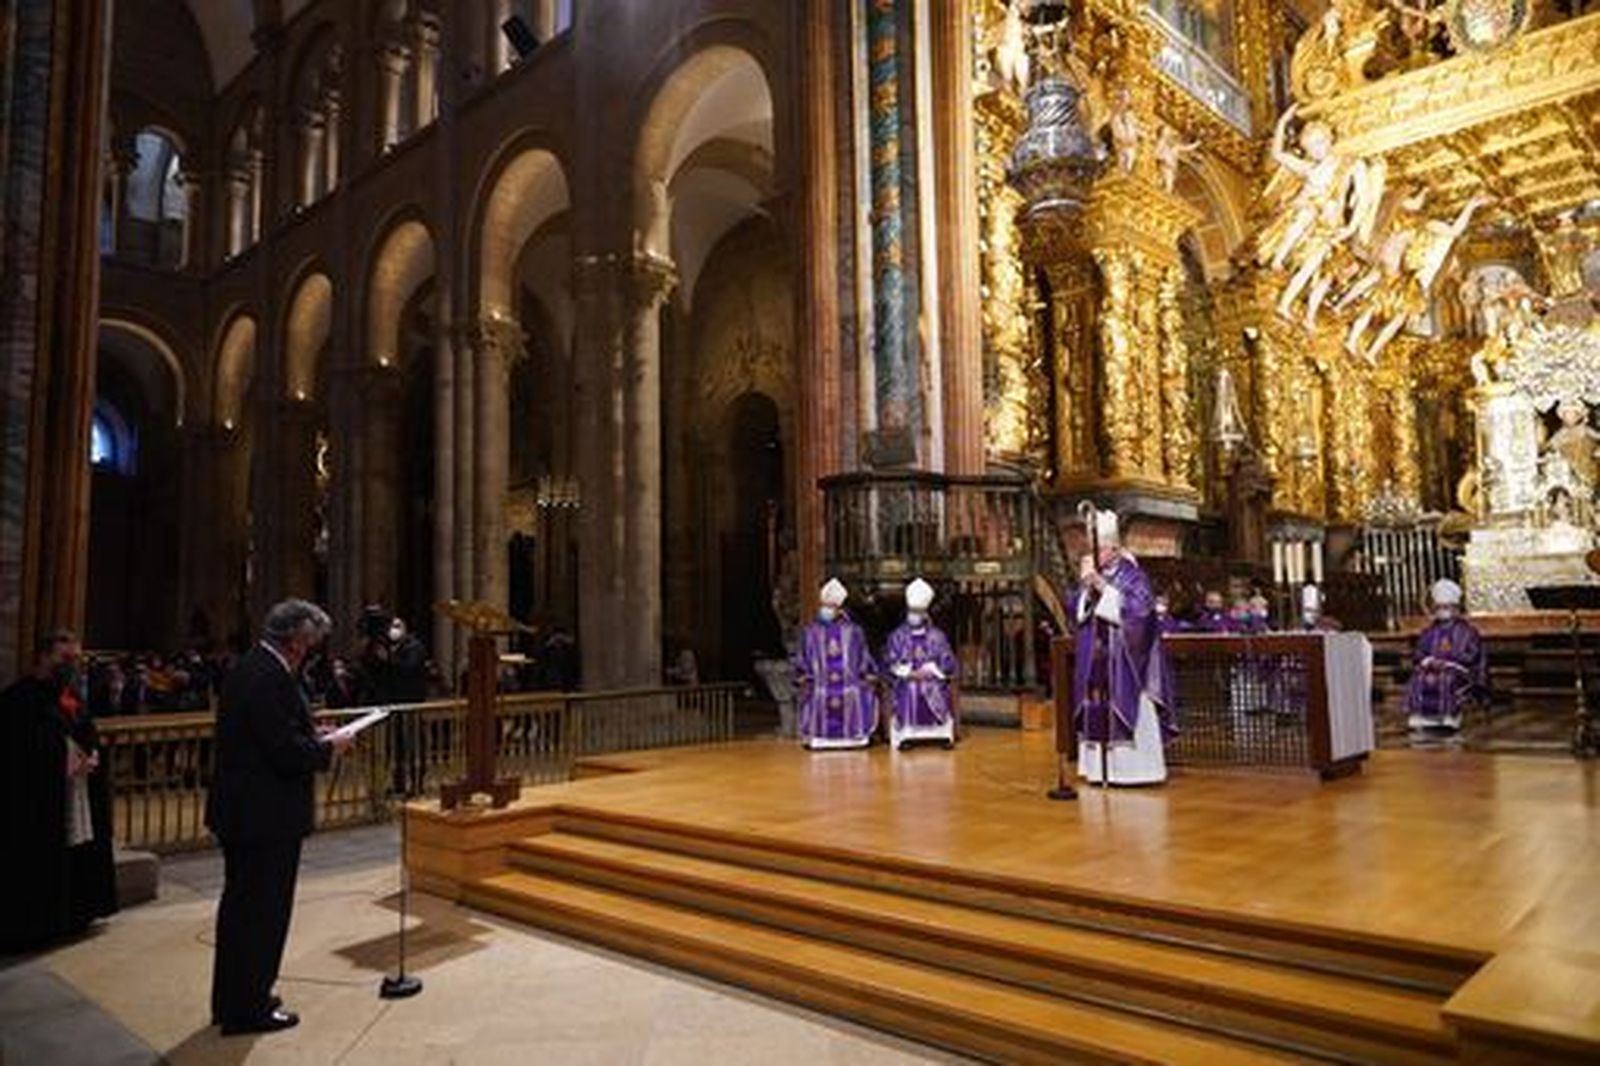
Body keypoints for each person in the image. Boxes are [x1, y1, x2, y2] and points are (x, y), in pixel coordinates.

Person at [207, 599, 353, 1035]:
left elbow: (273, 735)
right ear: (295, 641)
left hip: (249, 812)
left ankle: (235, 999)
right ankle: (247, 1009)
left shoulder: (253, 667)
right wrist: (329, 747)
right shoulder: (268, 677)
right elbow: (283, 752)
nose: (310, 653)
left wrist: (313, 734)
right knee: (260, 915)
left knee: (242, 911)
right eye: (310, 645)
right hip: (262, 816)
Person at [0, 630, 117, 953]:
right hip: (38, 799)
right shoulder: (19, 699)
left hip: (74, 789)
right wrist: (64, 757)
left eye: (76, 659)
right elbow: (22, 752)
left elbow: (84, 727)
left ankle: (74, 915)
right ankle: (39, 925)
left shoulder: (68, 695)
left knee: (76, 852)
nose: (72, 665)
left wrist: (91, 751)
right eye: (65, 658)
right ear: (43, 657)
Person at [1072, 512, 1174, 785]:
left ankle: (1135, 771)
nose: (1094, 555)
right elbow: (1078, 611)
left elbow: (1140, 614)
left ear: (1113, 549)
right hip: (1097, 660)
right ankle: (1097, 770)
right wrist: (1086, 588)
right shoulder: (1096, 573)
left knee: (1128, 703)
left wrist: (1101, 586)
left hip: (1127, 663)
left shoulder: (1133, 575)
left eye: (1100, 549)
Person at [791, 578, 879, 750]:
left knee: (856, 692)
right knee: (817, 693)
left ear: (839, 609)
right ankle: (818, 739)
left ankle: (854, 739)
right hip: (820, 684)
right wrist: (803, 674)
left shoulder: (854, 631)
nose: (826, 610)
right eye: (824, 605)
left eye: (831, 607)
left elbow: (863, 656)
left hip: (849, 684)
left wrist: (867, 674)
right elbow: (803, 657)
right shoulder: (811, 631)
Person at [883, 578, 959, 750]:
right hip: (907, 678)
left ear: (925, 613)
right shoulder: (897, 636)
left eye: (918, 611)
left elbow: (947, 660)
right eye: (912, 611)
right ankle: (908, 734)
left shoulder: (937, 636)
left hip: (932, 678)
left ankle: (941, 734)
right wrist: (909, 673)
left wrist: (934, 670)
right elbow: (891, 660)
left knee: (932, 687)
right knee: (911, 688)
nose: (914, 615)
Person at [1405, 579, 1488, 734]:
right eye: (1439, 607)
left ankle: (1449, 718)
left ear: (1455, 607)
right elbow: (1419, 652)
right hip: (1432, 666)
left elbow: (1472, 654)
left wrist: (1449, 661)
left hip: (1458, 669)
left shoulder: (1468, 631)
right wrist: (1427, 660)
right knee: (1418, 677)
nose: (1442, 610)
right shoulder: (1429, 631)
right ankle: (1421, 718)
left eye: (1446, 606)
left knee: (1446, 678)